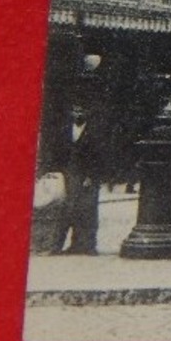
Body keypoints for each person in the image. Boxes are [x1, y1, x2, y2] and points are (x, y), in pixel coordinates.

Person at [42, 96, 110, 254]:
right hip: (69, 173)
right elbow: (58, 152)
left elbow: (99, 155)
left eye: (81, 110)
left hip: (87, 175)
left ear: (87, 113)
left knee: (88, 210)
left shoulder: (95, 131)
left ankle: (88, 245)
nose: (78, 113)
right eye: (75, 110)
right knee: (69, 208)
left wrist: (91, 176)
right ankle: (69, 244)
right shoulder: (66, 130)